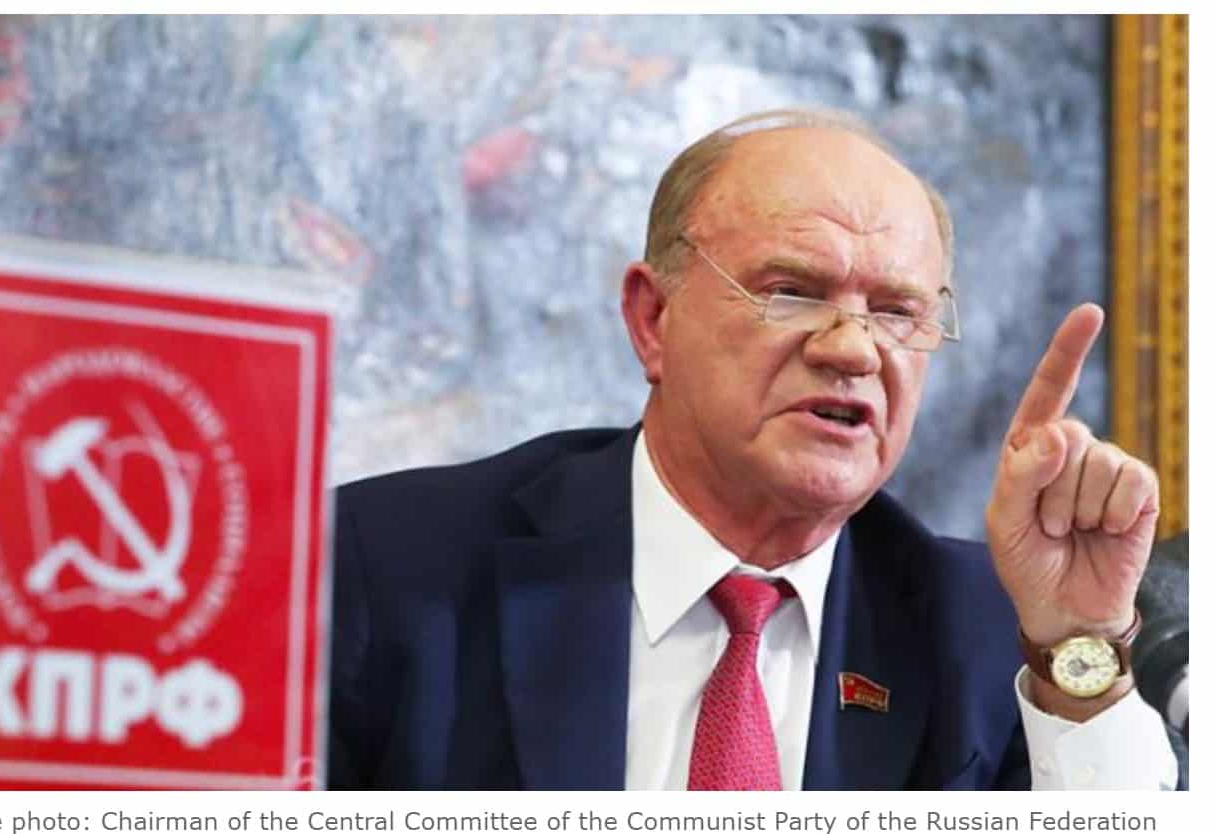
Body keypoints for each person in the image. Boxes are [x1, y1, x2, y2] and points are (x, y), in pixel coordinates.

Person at [327, 108, 1179, 790]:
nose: (853, 349)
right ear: (654, 320)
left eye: (895, 312)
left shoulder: (984, 628)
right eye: (793, 292)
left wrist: (1077, 647)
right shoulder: (384, 567)